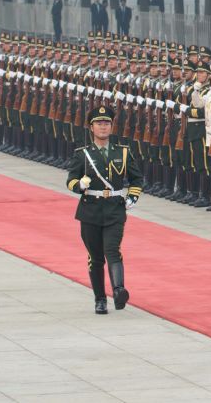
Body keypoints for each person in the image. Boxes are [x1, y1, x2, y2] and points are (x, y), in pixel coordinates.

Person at [65, 105, 143, 314]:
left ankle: (118, 290)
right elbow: (70, 181)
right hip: (90, 210)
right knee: (96, 257)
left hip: (114, 210)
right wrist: (79, 185)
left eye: (106, 123)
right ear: (91, 127)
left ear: (111, 126)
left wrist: (133, 196)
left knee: (113, 250)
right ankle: (100, 299)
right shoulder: (82, 154)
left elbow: (137, 178)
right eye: (99, 123)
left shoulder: (123, 152)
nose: (103, 127)